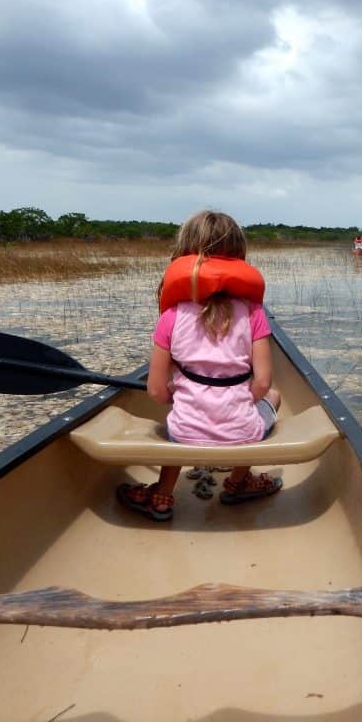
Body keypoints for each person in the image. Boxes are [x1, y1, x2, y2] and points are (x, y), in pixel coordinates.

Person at [116, 210, 282, 521]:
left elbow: (154, 389)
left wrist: (177, 398)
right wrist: (236, 403)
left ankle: (163, 495)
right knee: (274, 396)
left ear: (183, 254)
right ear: (238, 257)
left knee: (178, 413)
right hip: (242, 430)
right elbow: (262, 383)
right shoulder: (253, 313)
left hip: (184, 432)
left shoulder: (171, 317)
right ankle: (237, 481)